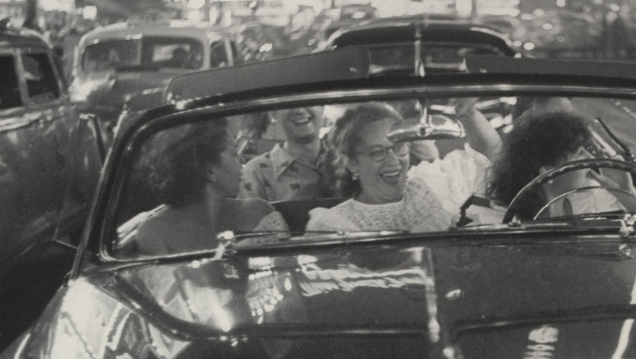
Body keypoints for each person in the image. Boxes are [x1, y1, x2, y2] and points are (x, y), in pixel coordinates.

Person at [135, 119, 288, 255]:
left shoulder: (259, 213)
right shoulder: (154, 232)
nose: (241, 160)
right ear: (209, 170)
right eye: (234, 154)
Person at [305, 103, 455, 233]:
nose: (393, 161)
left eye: (399, 147)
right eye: (377, 152)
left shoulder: (422, 191)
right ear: (352, 163)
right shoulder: (332, 224)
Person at [489, 110, 636, 221]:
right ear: (548, 173)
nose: (589, 159)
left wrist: (626, 192)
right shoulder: (505, 220)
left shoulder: (586, 199)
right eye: (579, 154)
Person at [239, 105, 340, 201]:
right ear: (274, 114)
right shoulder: (256, 173)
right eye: (289, 103)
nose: (299, 110)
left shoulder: (346, 160)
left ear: (322, 108)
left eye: (307, 100)